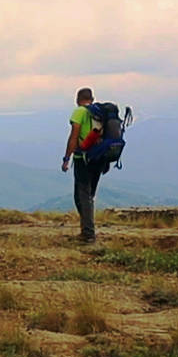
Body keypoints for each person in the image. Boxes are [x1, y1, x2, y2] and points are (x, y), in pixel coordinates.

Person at [62, 87, 101, 243]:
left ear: (78, 99)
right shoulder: (98, 113)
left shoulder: (79, 112)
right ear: (92, 98)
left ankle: (88, 233)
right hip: (99, 158)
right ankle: (87, 229)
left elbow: (74, 136)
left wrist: (66, 158)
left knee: (81, 195)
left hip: (83, 158)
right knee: (89, 194)